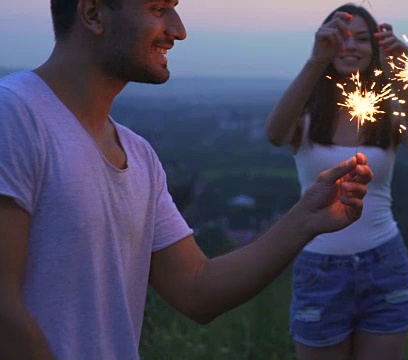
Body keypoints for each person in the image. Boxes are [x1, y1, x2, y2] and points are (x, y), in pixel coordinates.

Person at [0, 0, 374, 358]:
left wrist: (306, 218)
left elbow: (198, 288)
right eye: (158, 9)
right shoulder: (15, 116)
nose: (178, 31)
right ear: (94, 13)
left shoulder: (139, 156)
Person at [265, 3, 408, 359]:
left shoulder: (386, 113)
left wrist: (400, 76)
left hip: (386, 261)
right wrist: (315, 61)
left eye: (362, 40)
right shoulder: (305, 117)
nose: (351, 46)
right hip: (319, 268)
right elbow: (275, 134)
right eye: (342, 38)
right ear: (326, 43)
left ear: (376, 50)